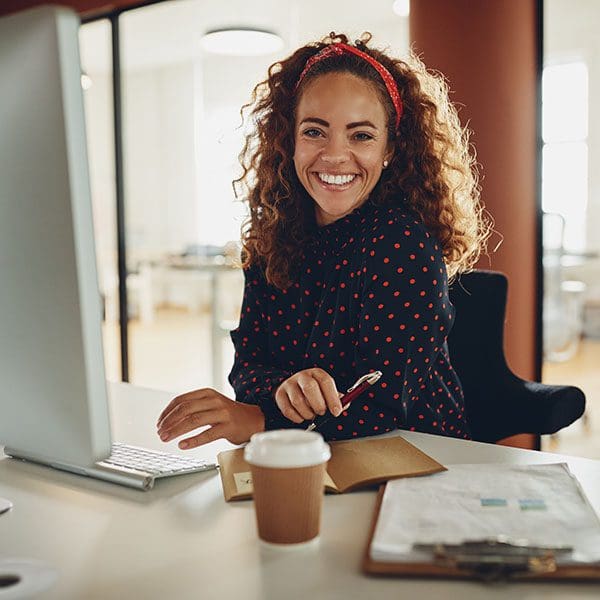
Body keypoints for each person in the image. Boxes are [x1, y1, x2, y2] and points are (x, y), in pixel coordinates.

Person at [156, 32, 489, 450]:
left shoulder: (402, 242)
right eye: (315, 131)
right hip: (313, 454)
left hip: (416, 455)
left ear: (390, 149)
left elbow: (384, 405)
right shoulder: (272, 238)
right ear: (289, 140)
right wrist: (283, 390)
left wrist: (262, 418)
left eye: (361, 135)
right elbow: (248, 368)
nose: (335, 155)